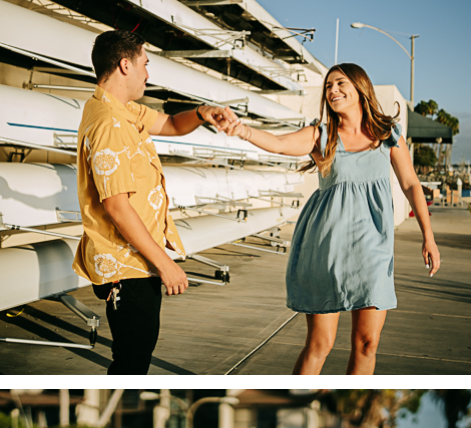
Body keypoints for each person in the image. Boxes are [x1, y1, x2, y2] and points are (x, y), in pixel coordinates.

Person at [226, 62, 441, 375]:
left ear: (359, 87)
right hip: (327, 248)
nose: (333, 90)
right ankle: (296, 411)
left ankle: (348, 413)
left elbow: (411, 185)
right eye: (328, 86)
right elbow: (281, 144)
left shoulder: (387, 135)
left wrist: (428, 236)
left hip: (373, 251)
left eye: (340, 84)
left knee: (367, 343)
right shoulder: (322, 135)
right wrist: (243, 130)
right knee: (320, 345)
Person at [73, 29, 238, 374]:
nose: (148, 74)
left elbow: (171, 125)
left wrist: (203, 112)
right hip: (127, 265)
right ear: (124, 65)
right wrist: (166, 264)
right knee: (131, 363)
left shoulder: (122, 110)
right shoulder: (110, 123)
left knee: (134, 358)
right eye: (145, 64)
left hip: (134, 262)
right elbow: (117, 207)